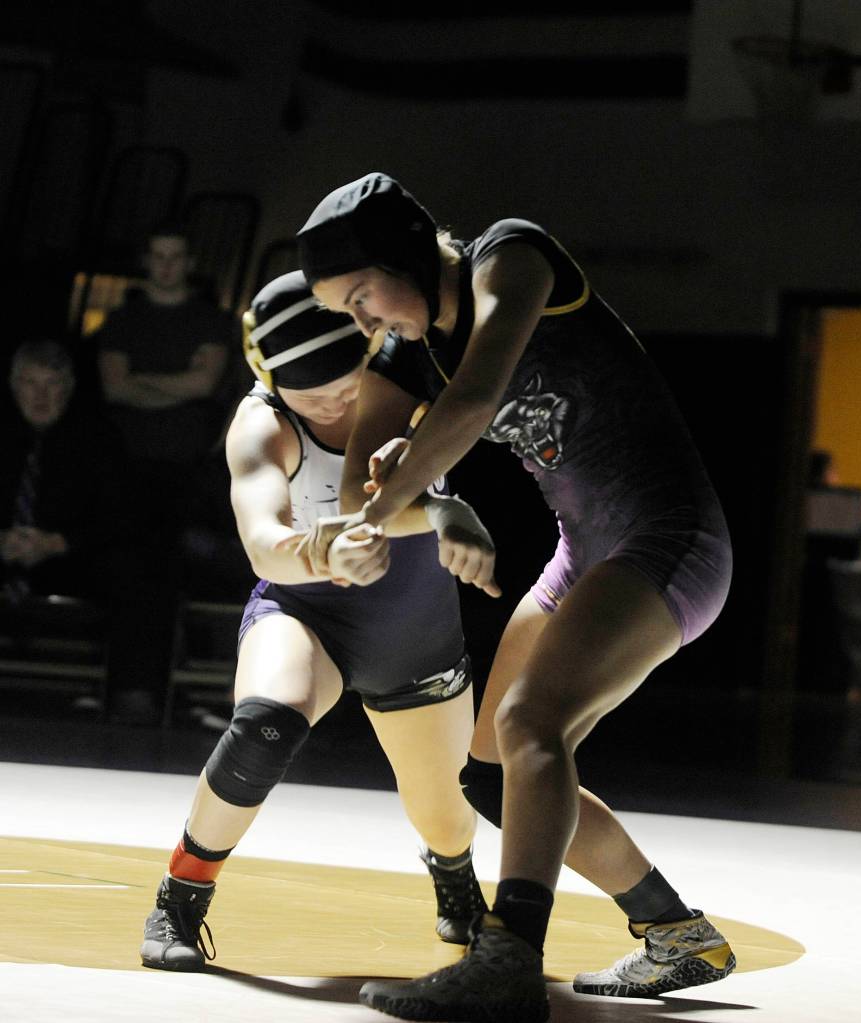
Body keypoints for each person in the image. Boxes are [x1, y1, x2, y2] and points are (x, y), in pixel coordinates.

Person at [295, 172, 737, 1022]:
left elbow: (476, 394)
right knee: (493, 771)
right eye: (344, 313)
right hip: (586, 551)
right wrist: (433, 501)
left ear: (412, 256)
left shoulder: (513, 255)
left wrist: (403, 500)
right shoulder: (402, 353)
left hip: (670, 534)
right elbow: (358, 483)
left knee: (532, 722)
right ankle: (676, 932)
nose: (363, 323)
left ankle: (509, 958)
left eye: (362, 297)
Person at [140, 271, 494, 971]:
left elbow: (423, 482)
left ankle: (454, 881)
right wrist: (323, 546)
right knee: (266, 722)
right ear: (272, 380)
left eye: (346, 383)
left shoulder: (409, 381)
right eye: (315, 394)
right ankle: (179, 895)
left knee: (447, 816)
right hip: (307, 605)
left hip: (414, 627)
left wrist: (446, 509)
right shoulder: (262, 422)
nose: (336, 406)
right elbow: (264, 544)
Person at [96, 221, 236, 723]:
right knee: (134, 573)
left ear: (189, 263)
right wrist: (177, 385)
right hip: (128, 471)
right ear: (146, 260)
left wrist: (141, 382)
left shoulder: (211, 320)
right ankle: (131, 690)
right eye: (158, 255)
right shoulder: (122, 321)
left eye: (176, 256)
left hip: (187, 475)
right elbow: (114, 391)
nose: (167, 266)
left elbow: (205, 384)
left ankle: (157, 693)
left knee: (170, 573)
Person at [0, 339, 119, 603]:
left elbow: (116, 519)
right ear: (13, 385)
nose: (40, 395)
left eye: (51, 383)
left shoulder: (98, 443)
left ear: (68, 388)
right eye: (30, 383)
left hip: (73, 576)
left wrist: (56, 543)